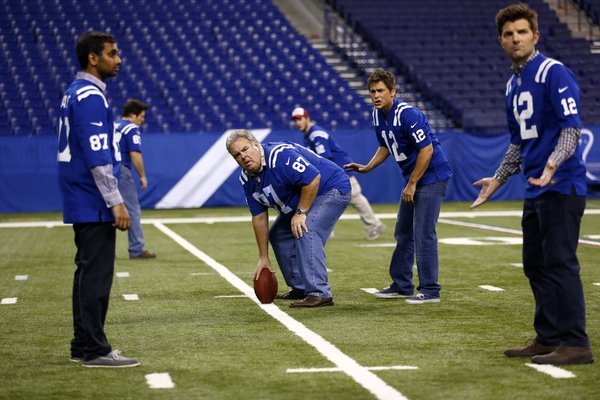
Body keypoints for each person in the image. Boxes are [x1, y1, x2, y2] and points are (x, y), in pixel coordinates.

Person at [471, 3, 593, 365]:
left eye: (522, 32)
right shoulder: (512, 84)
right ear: (501, 41)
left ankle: (576, 342)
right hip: (536, 187)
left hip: (562, 185)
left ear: (535, 36)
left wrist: (554, 164)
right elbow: (518, 143)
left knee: (560, 263)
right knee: (535, 264)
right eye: (509, 34)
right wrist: (497, 178)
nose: (515, 38)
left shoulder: (553, 73)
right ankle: (548, 336)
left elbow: (572, 129)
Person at [57, 31, 139, 368]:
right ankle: (94, 349)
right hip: (93, 197)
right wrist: (115, 199)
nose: (118, 59)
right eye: (112, 53)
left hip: (81, 195)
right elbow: (97, 154)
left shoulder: (74, 92)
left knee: (86, 271)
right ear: (94, 58)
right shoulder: (90, 95)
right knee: (96, 275)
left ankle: (82, 343)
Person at [345, 69, 452, 304]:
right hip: (414, 177)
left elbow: (427, 149)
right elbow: (385, 146)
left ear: (393, 91)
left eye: (381, 90)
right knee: (403, 231)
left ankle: (430, 290)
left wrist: (412, 183)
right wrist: (367, 167)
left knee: (423, 233)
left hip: (431, 176)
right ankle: (402, 284)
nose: (376, 95)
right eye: (372, 91)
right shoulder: (377, 115)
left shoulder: (407, 114)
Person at [226, 130, 351, 307]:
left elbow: (313, 179)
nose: (243, 156)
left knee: (306, 228)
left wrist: (300, 213)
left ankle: (319, 292)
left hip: (330, 188)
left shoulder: (280, 155)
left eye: (245, 149)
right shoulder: (247, 179)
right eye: (237, 155)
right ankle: (300, 287)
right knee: (278, 234)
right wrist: (263, 257)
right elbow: (259, 217)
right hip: (302, 200)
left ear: (256, 144)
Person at [291, 107, 385, 240]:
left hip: (339, 172)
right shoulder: (309, 134)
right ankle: (327, 231)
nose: (297, 123)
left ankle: (374, 225)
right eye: (295, 120)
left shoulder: (315, 134)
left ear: (307, 118)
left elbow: (324, 158)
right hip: (334, 172)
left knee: (355, 199)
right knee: (327, 201)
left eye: (299, 119)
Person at [116, 99, 156, 259]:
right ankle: (137, 248)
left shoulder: (112, 125)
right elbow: (135, 153)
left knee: (107, 210)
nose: (143, 119)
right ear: (132, 115)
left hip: (104, 169)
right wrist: (142, 176)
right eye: (142, 116)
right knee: (132, 210)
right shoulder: (131, 128)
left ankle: (103, 250)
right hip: (120, 170)